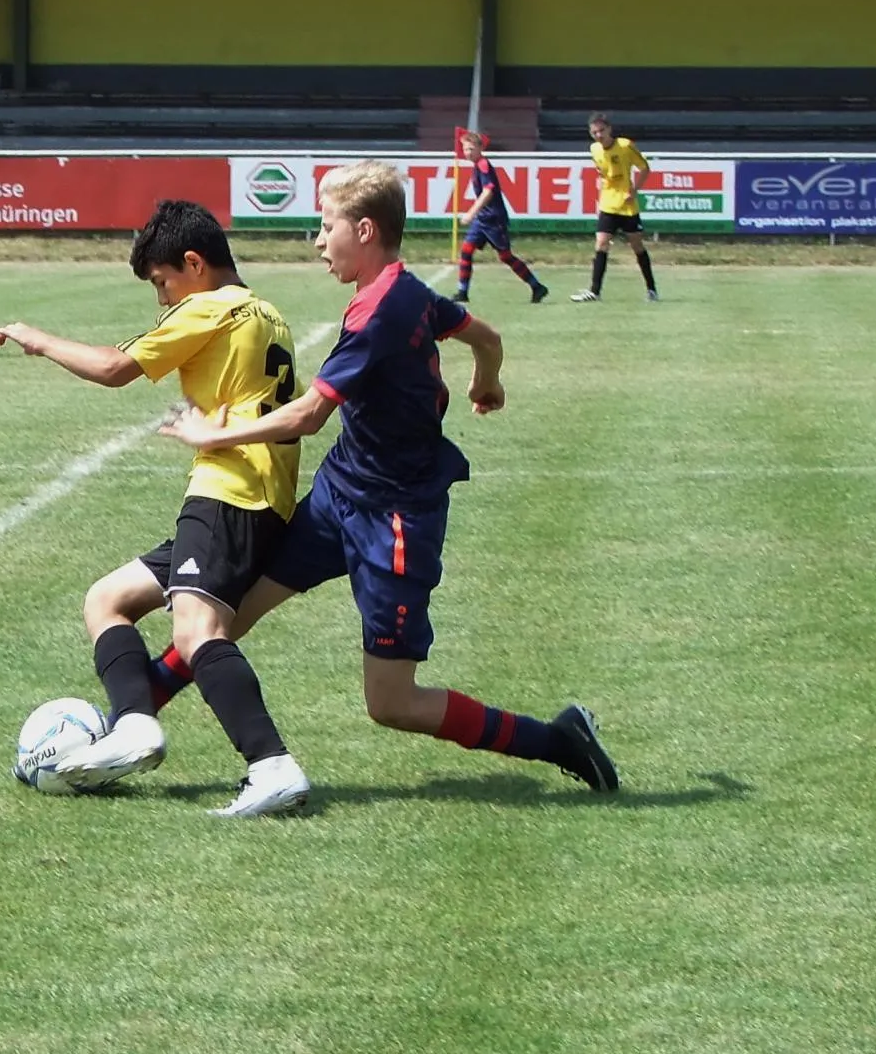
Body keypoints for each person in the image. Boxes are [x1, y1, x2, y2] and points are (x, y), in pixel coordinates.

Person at [158, 160, 621, 806]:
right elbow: (485, 336)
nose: (318, 242)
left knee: (391, 702)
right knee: (222, 619)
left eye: (327, 227)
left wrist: (215, 436)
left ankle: (559, 740)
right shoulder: (405, 291)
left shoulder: (379, 312)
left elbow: (309, 415)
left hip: (395, 519)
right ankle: (128, 716)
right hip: (339, 494)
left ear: (365, 230)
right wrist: (487, 380)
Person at [0, 200, 307, 811]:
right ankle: (135, 724)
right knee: (107, 599)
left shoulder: (210, 306)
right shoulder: (266, 311)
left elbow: (115, 368)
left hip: (230, 493)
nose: (163, 299)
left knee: (196, 632)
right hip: (260, 496)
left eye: (163, 282)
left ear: (194, 263)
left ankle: (272, 765)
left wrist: (39, 339)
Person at [453, 129, 548, 305]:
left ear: (480, 148)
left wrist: (471, 212)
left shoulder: (484, 165)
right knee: (466, 250)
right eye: (465, 149)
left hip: (493, 219)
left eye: (471, 149)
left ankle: (537, 286)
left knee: (505, 256)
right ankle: (462, 292)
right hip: (483, 219)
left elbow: (488, 191)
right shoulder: (477, 166)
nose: (467, 153)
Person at [572, 113, 658, 303]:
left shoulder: (625, 146)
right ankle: (595, 291)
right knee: (601, 244)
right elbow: (602, 171)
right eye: (594, 132)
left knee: (637, 246)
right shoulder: (594, 149)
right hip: (607, 204)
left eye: (601, 130)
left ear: (609, 129)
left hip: (627, 206)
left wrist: (634, 190)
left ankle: (651, 289)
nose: (598, 135)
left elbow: (644, 168)